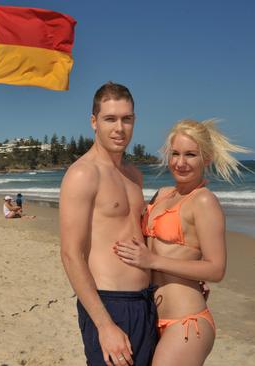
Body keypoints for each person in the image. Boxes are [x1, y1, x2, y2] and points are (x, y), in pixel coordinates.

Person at [114, 119, 249, 365]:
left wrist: (154, 260)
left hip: (187, 322)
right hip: (150, 319)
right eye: (175, 153)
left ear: (205, 159)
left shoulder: (204, 202)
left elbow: (216, 269)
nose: (180, 162)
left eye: (190, 155)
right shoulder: (162, 194)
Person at [60, 81, 156, 366]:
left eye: (126, 119)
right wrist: (104, 325)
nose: (119, 128)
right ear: (94, 122)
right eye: (110, 119)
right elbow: (70, 254)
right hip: (109, 304)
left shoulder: (134, 175)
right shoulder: (83, 174)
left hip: (146, 302)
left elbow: (145, 240)